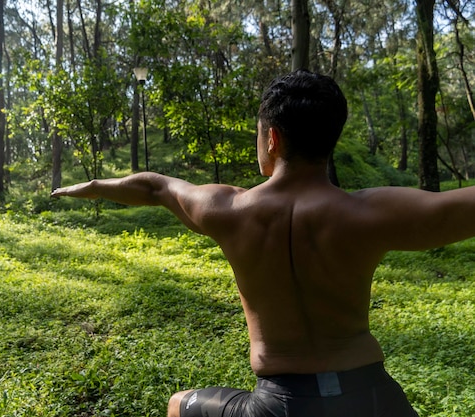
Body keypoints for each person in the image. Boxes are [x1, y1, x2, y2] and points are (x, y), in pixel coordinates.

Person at [51, 69, 473, 416]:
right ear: (331, 139)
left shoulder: (228, 209)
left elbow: (155, 187)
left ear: (272, 139)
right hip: (376, 400)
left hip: (282, 405)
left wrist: (89, 185)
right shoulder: (370, 213)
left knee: (179, 405)